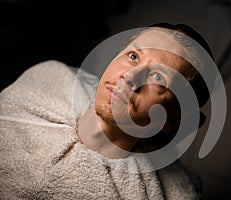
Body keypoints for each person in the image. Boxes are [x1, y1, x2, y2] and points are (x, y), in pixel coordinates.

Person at [0, 23, 214, 199]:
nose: (129, 77)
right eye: (133, 57)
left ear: (171, 120)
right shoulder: (48, 76)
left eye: (158, 78)